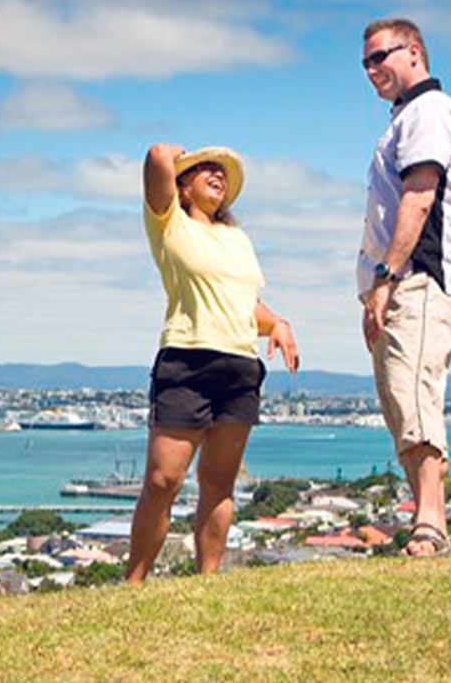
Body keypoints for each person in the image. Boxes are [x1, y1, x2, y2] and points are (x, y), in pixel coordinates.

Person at [125, 143, 300, 584]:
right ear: (182, 186)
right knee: (163, 481)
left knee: (219, 483)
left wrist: (277, 323)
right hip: (188, 360)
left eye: (222, 171)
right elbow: (156, 156)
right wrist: (180, 156)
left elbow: (246, 303)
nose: (217, 174)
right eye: (205, 169)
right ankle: (134, 582)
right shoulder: (170, 224)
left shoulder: (238, 239)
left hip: (240, 365)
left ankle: (209, 580)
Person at [356, 18, 451, 558]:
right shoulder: (405, 116)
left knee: (416, 398)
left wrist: (386, 278)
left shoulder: (428, 110)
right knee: (400, 404)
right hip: (398, 284)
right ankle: (432, 521)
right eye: (365, 62)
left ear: (414, 52)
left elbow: (420, 196)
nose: (371, 69)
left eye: (379, 56)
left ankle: (428, 524)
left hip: (419, 278)